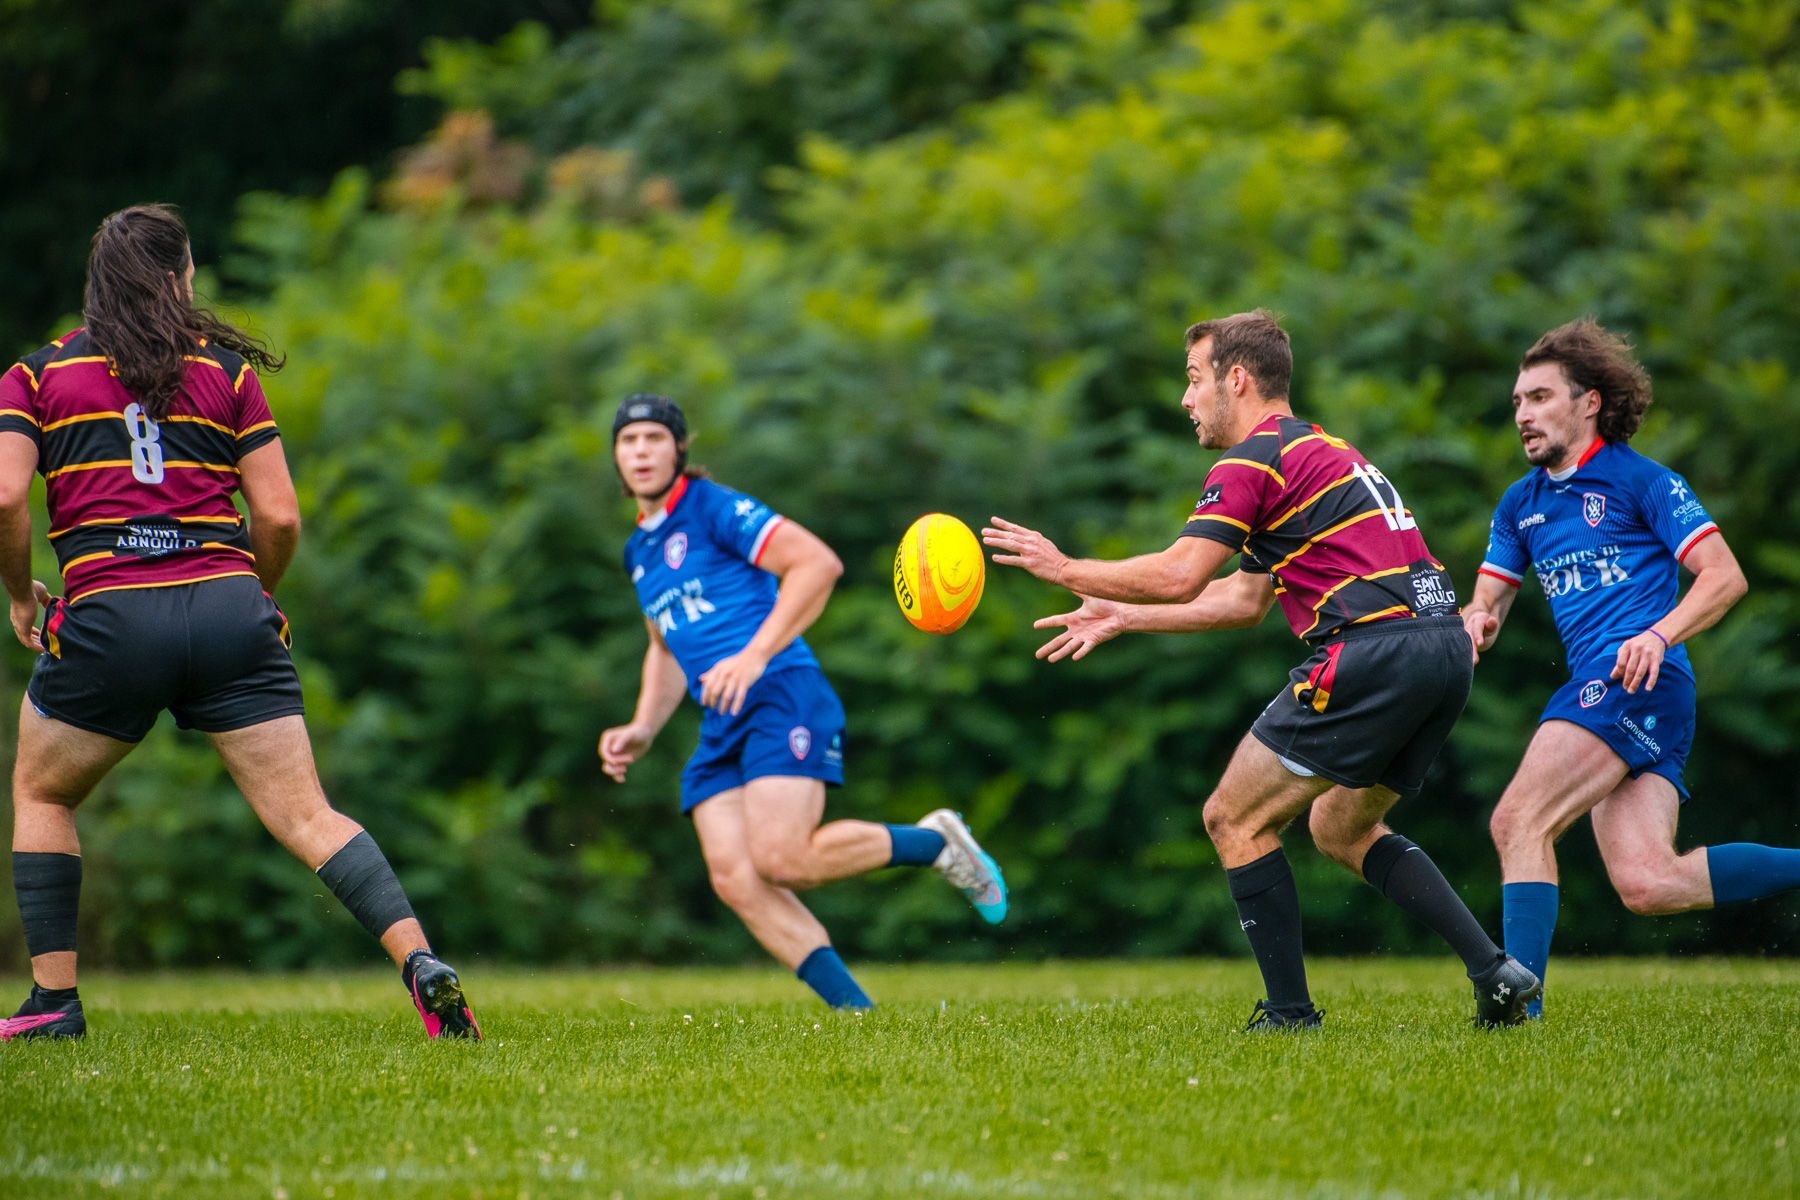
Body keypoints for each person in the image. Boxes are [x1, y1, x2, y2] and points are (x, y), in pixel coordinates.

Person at [983, 310, 1540, 1029]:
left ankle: (1289, 1013)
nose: (1185, 399)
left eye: (1193, 379)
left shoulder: (1251, 458)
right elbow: (1243, 600)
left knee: (1231, 817)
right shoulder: (1325, 451)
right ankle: (1496, 973)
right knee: (1339, 828)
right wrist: (1123, 615)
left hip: (1371, 653)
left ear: (1236, 379)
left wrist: (1064, 568)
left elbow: (1183, 573)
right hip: (1441, 649)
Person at [0, 205, 477, 1042]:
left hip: (110, 617)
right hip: (230, 610)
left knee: (42, 790)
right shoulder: (227, 373)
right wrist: (253, 595)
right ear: (182, 277)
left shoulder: (36, 378)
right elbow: (282, 518)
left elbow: (5, 497)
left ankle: (53, 1005)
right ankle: (421, 963)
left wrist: (18, 595)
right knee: (308, 815)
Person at [597, 393, 1006, 1008]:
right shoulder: (640, 551)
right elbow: (664, 646)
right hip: (722, 718)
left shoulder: (712, 508)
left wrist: (753, 655)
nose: (641, 451)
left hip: (782, 691)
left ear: (679, 448)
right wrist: (643, 726)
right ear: (617, 458)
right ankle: (856, 1012)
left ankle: (939, 844)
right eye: (628, 442)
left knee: (784, 858)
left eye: (654, 438)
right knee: (736, 877)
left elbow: (817, 564)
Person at [1464, 319, 1797, 1018]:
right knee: (1650, 881)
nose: (1522, 414)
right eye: (1518, 401)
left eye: (1540, 397)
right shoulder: (1520, 503)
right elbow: (1489, 595)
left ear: (1589, 402)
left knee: (1518, 820)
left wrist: (1658, 633)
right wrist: (1477, 622)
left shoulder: (1643, 481)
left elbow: (1724, 577)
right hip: (1626, 693)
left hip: (1635, 681)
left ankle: (1516, 1011)